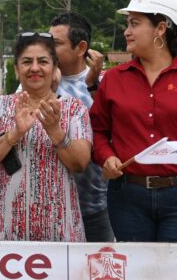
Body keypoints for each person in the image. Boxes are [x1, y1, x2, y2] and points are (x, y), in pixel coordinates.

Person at [90, 0, 177, 242]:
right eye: (127, 24)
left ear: (161, 28)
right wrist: (106, 157)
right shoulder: (113, 79)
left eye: (134, 23)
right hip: (127, 197)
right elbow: (98, 130)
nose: (127, 31)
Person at [0, 32, 92, 242]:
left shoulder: (74, 109)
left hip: (61, 234)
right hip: (5, 233)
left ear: (55, 68)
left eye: (43, 61)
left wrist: (56, 132)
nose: (35, 68)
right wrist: (14, 134)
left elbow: (80, 163)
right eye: (27, 62)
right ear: (17, 70)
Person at [49, 12, 114, 242]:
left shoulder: (105, 82)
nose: (48, 49)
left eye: (55, 43)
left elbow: (113, 132)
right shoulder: (35, 82)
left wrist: (93, 86)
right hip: (50, 209)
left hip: (95, 208)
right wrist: (50, 87)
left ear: (81, 47)